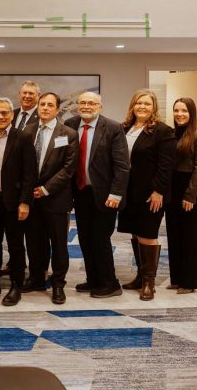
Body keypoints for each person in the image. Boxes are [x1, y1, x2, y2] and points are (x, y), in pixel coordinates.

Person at [65, 92, 130, 299]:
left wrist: (116, 193)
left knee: (100, 238)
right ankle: (93, 279)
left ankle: (110, 283)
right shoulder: (69, 124)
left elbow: (122, 166)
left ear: (100, 107)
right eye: (82, 102)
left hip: (105, 194)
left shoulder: (112, 128)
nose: (86, 106)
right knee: (84, 238)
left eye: (91, 103)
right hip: (81, 192)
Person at [0, 98, 37, 307]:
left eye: (5, 113)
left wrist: (25, 202)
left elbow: (30, 174)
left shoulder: (22, 138)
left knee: (15, 246)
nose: (0, 117)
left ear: (12, 115)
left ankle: (16, 285)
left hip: (13, 202)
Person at [118, 89, 175, 301]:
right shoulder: (125, 128)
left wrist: (158, 191)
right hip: (129, 191)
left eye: (147, 104)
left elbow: (166, 165)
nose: (142, 107)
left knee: (148, 234)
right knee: (135, 231)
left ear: (154, 108)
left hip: (151, 193)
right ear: (133, 105)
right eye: (139, 103)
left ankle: (150, 283)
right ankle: (141, 276)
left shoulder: (163, 131)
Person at [23, 93, 78, 304]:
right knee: (34, 242)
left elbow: (68, 169)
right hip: (31, 198)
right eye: (42, 104)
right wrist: (29, 191)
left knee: (59, 243)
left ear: (57, 110)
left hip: (56, 198)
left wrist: (45, 189)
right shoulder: (27, 131)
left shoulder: (68, 134)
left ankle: (58, 283)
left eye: (50, 105)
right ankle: (37, 278)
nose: (45, 108)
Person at [165, 98, 197, 294]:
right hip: (172, 189)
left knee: (190, 237)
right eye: (176, 110)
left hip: (191, 190)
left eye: (184, 110)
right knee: (174, 235)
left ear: (191, 113)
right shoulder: (171, 134)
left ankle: (189, 282)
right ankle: (176, 278)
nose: (179, 114)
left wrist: (190, 195)